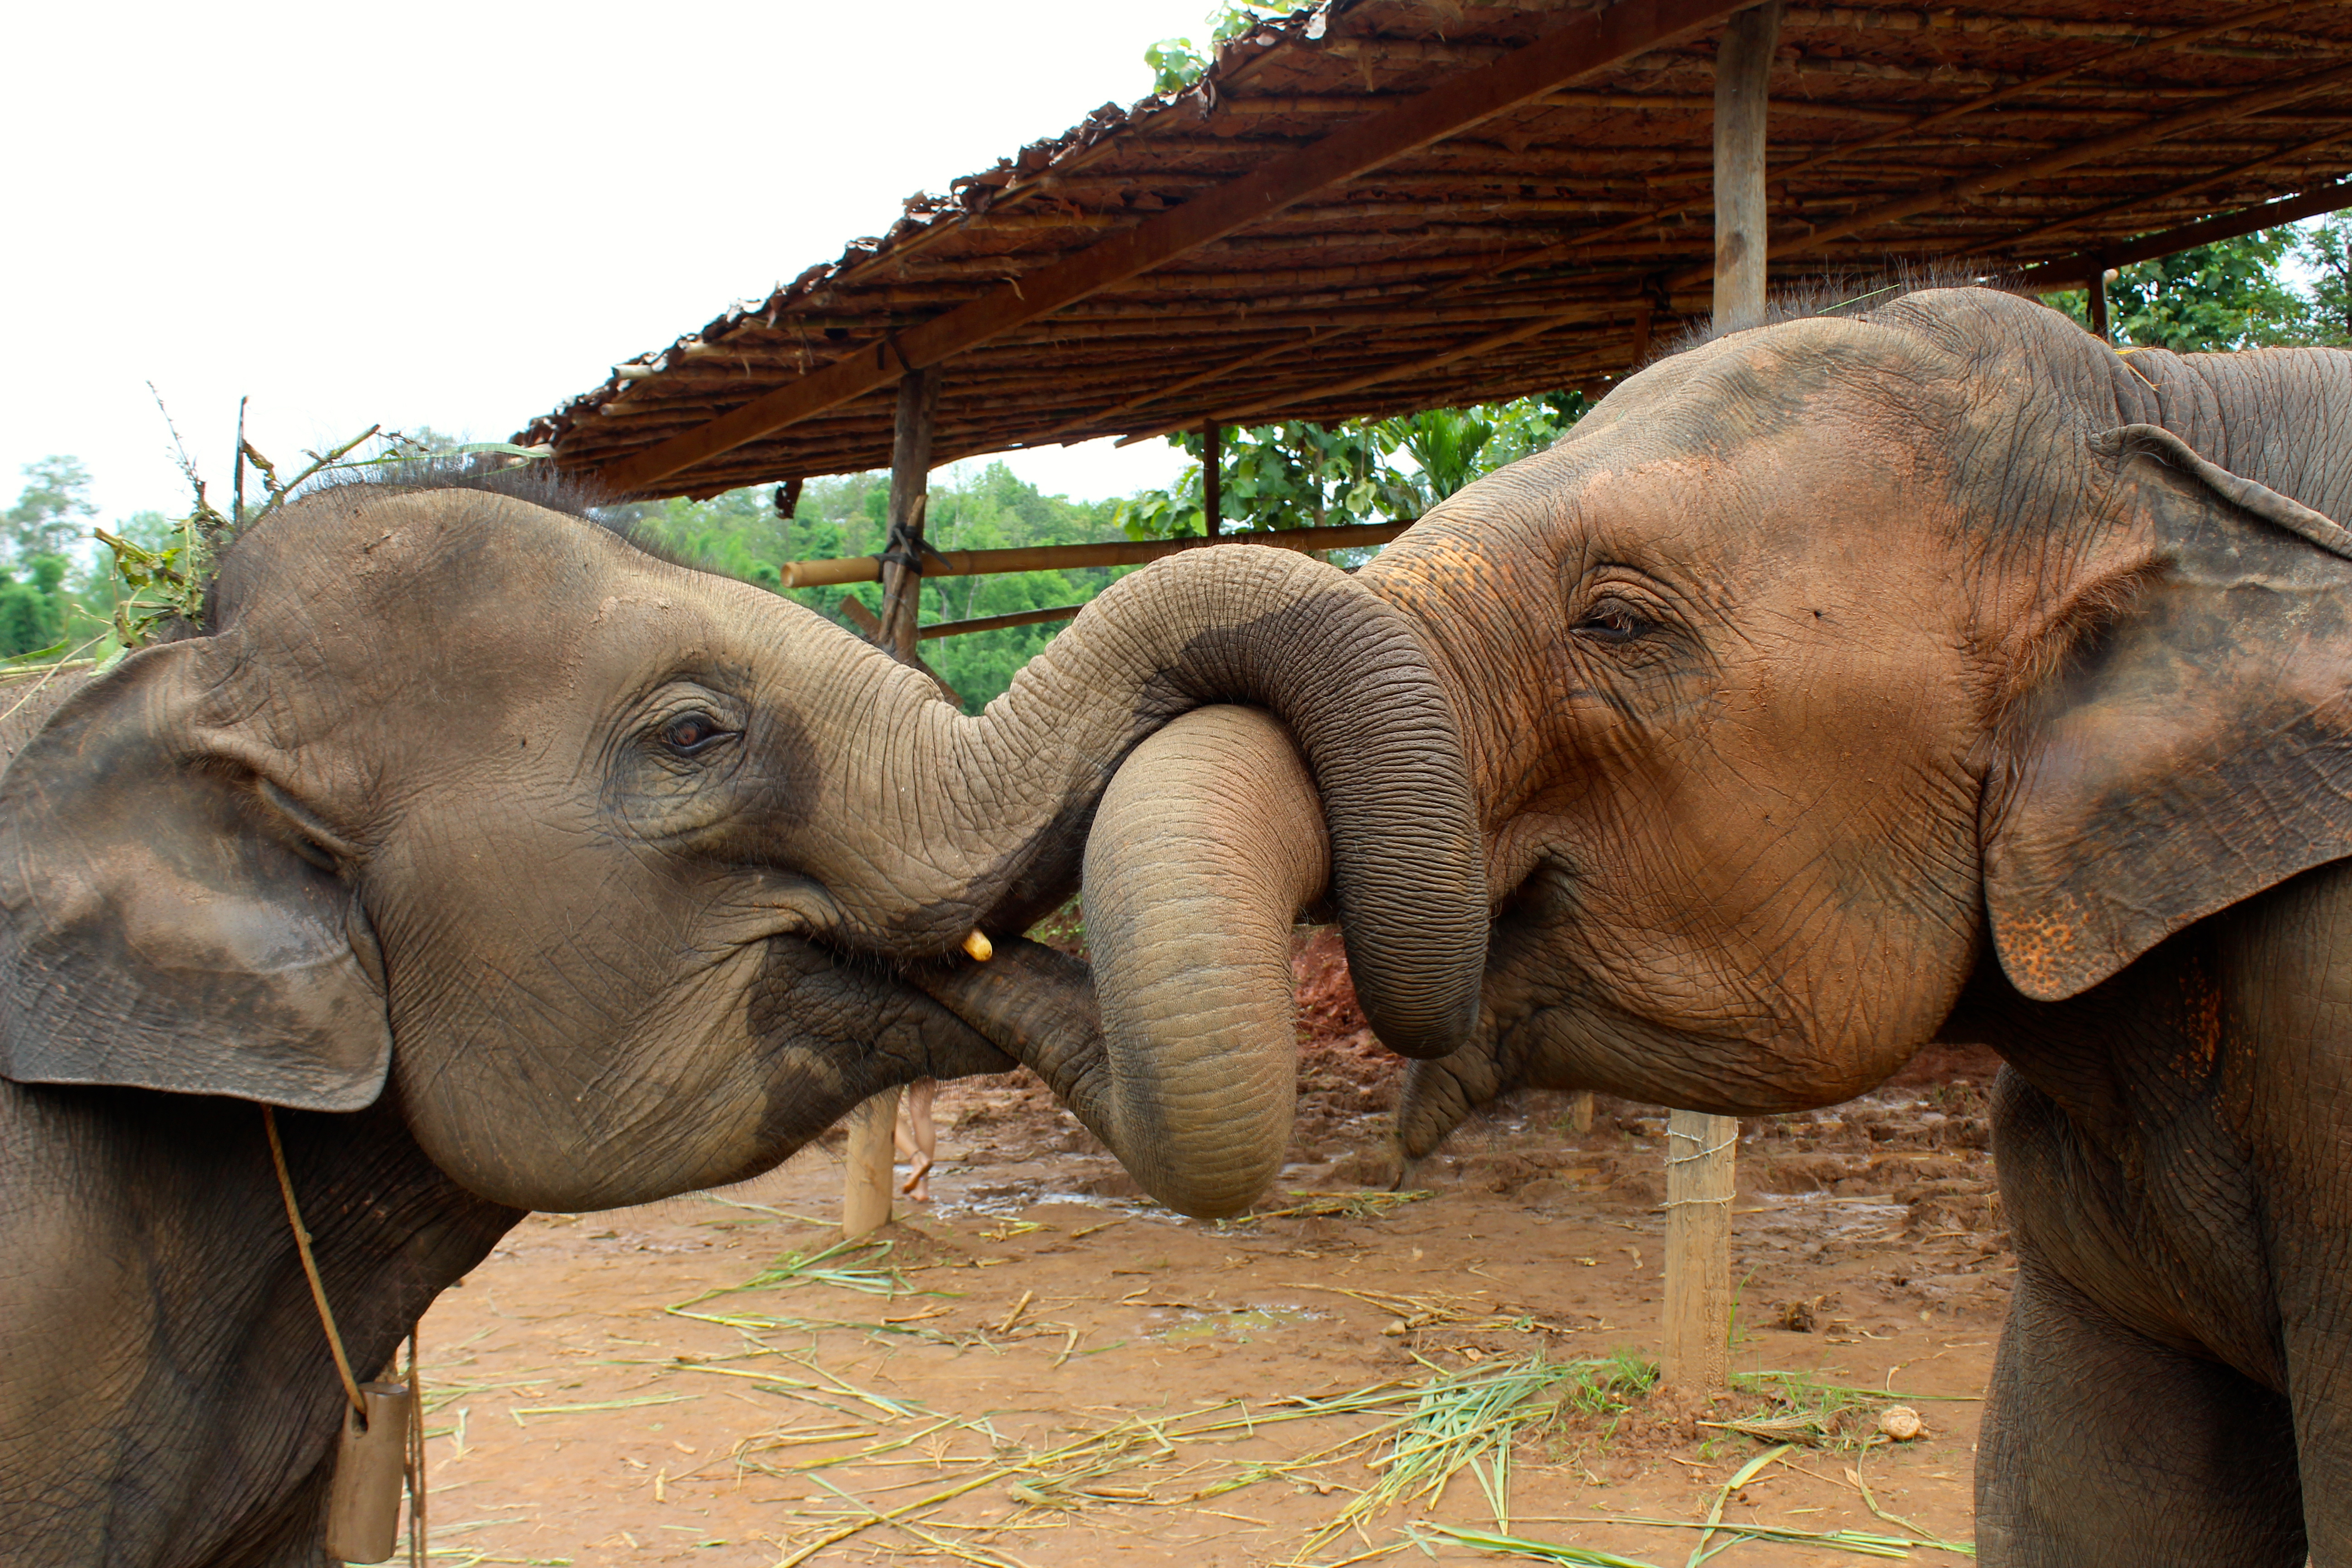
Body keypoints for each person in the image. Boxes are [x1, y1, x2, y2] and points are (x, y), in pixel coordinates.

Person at [894, 1077, 936, 1200]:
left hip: (894, 1059)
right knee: (923, 1115)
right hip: (928, 1059)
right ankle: (921, 1188)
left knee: (883, 1112)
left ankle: (917, 1159)